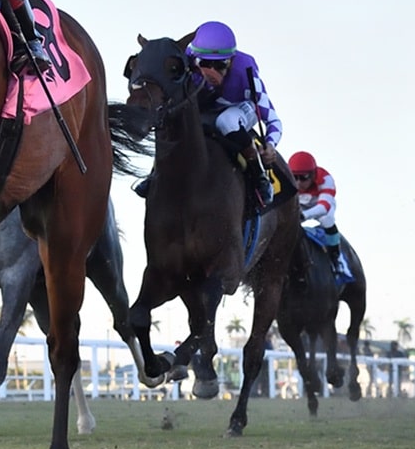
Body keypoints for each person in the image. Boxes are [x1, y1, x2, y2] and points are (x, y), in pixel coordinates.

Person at [133, 21, 281, 208]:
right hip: (205, 106)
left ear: (232, 60)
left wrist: (270, 144)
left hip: (237, 107)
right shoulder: (184, 62)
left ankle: (259, 175)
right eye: (204, 63)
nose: (212, 71)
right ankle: (156, 173)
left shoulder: (246, 70)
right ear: (194, 58)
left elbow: (273, 119)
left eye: (221, 65)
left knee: (226, 121)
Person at [289, 150, 344, 274]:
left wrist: (304, 216)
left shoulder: (325, 179)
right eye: (294, 177)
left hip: (319, 203)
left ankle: (336, 257)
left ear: (313, 174)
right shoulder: (287, 178)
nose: (298, 183)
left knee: (327, 220)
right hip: (299, 204)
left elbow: (324, 207)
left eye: (303, 177)